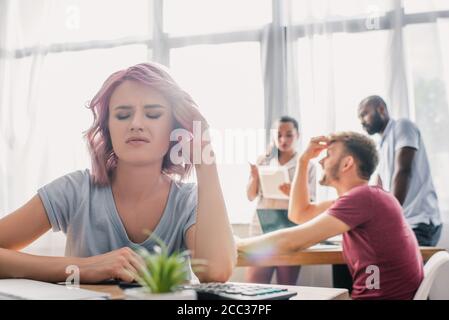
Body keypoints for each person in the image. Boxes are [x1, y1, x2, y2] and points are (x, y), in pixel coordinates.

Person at [0, 62, 236, 283]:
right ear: (107, 129)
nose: (136, 124)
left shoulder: (188, 202)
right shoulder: (74, 191)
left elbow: (216, 272)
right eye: (122, 115)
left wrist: (205, 160)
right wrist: (84, 268)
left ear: (175, 128)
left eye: (153, 114)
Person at [238, 132, 424, 299]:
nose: (320, 161)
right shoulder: (367, 197)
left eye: (328, 155)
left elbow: (293, 240)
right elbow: (299, 214)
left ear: (347, 163)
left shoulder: (362, 197)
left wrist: (237, 244)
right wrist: (303, 161)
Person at [358, 95, 442, 246]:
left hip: (420, 223)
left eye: (365, 114)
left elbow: (403, 170)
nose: (362, 121)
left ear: (381, 109)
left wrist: (390, 216)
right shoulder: (381, 145)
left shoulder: (402, 126)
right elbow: (379, 186)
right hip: (406, 222)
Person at [246, 116, 316, 285]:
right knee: (255, 288)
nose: (283, 140)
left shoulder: (308, 165)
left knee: (286, 286)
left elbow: (311, 202)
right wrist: (255, 177)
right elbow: (250, 196)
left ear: (297, 135)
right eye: (279, 135)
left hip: (290, 228)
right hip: (262, 228)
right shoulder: (263, 160)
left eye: (289, 135)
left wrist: (294, 191)